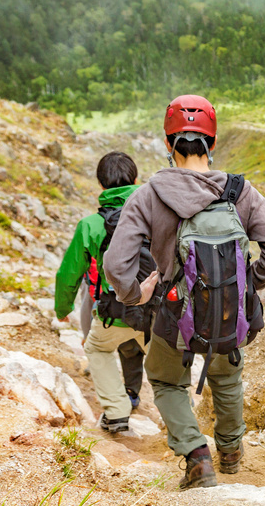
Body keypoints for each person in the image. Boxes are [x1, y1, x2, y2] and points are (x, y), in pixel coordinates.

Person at [103, 95, 265, 490]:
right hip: (226, 311)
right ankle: (231, 451)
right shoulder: (240, 192)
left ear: (169, 143)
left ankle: (196, 457)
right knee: (226, 377)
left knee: (167, 380)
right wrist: (246, 285)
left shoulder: (149, 195)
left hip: (173, 314)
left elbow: (116, 265)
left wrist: (134, 295)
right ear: (214, 142)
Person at [54, 151, 148, 433]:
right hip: (158, 314)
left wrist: (62, 309)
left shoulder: (90, 225)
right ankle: (179, 419)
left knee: (96, 347)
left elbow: (68, 274)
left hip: (115, 312)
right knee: (164, 364)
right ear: (135, 180)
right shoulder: (156, 215)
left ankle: (117, 412)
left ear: (101, 184)